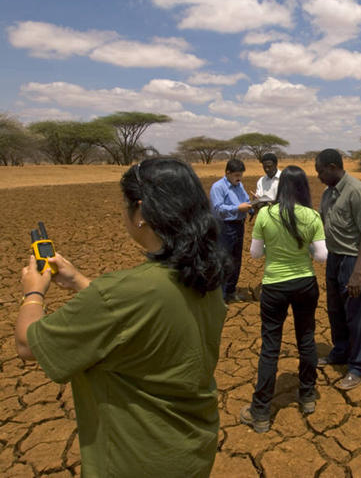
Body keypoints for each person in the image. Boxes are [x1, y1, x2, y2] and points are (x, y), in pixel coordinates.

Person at [14, 157, 230, 477]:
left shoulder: (123, 293)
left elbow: (28, 345)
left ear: (141, 213)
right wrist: (78, 281)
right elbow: (138, 316)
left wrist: (33, 292)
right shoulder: (203, 277)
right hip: (189, 451)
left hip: (135, 461)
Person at [240, 165, 328, 433]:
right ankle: (308, 396)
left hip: (274, 287)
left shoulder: (266, 214)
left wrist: (274, 248)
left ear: (280, 187)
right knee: (306, 339)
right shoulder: (312, 216)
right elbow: (322, 256)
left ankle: (261, 411)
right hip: (304, 284)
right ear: (303, 187)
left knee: (270, 347)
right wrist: (304, 250)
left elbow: (255, 254)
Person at [315, 149, 361, 390]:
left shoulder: (356, 190)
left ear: (332, 167)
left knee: (358, 314)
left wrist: (358, 272)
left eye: (320, 171)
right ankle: (340, 351)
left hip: (354, 260)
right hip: (334, 258)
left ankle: (358, 367)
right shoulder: (328, 193)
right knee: (335, 310)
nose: (318, 176)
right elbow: (321, 223)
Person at [210, 158, 252, 303]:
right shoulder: (218, 187)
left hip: (239, 225)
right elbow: (218, 208)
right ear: (227, 173)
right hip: (224, 227)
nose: (239, 178)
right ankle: (220, 297)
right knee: (224, 261)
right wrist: (237, 208)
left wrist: (254, 204)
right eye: (236, 175)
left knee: (236, 260)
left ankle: (231, 292)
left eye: (241, 175)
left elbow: (246, 201)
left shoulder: (239, 186)